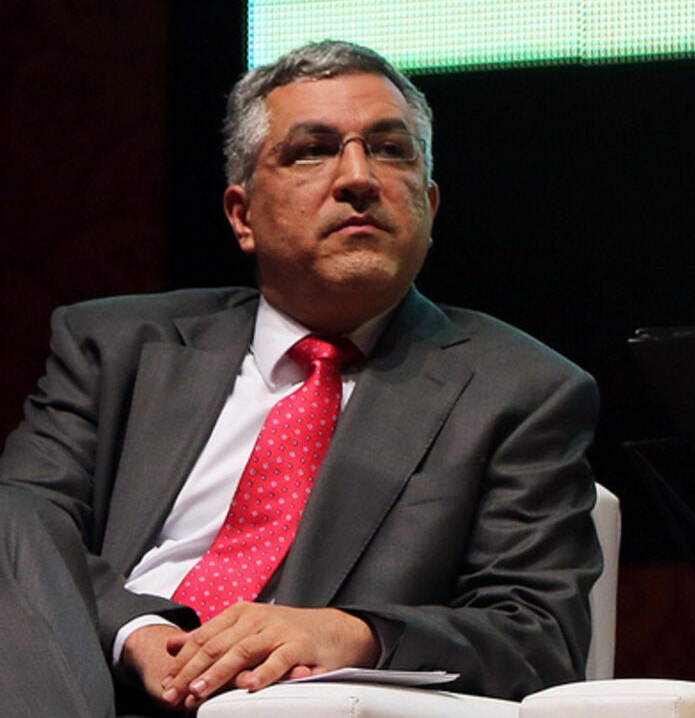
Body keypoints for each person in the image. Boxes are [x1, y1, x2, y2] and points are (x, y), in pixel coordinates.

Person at [0, 40, 601, 716]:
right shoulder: (116, 348)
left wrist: (354, 632)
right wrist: (134, 629)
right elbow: (24, 532)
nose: (358, 177)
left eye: (390, 148)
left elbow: (540, 636)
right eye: (312, 149)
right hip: (75, 676)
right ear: (242, 213)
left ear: (430, 206)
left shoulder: (516, 389)